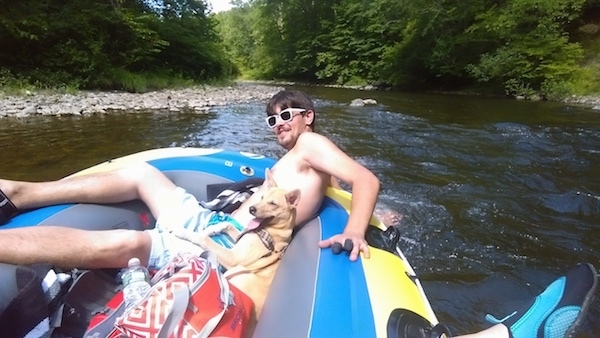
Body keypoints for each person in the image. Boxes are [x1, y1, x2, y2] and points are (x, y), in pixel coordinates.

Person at [0, 90, 596, 338]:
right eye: (273, 119)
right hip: (216, 223)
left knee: (123, 244)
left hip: (227, 242)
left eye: (289, 114)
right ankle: (20, 193)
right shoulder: (289, 163)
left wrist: (359, 227)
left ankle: (21, 201)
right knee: (140, 173)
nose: (280, 124)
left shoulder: (312, 148)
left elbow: (363, 177)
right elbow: (331, 185)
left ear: (310, 118)